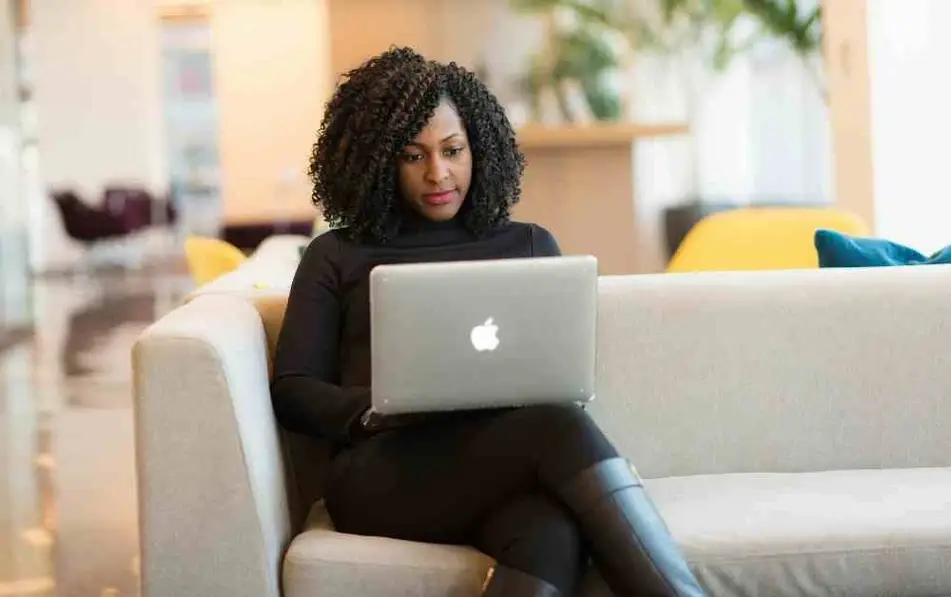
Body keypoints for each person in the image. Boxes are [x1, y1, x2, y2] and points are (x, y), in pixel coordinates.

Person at [270, 46, 707, 597]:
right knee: (556, 428)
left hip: (506, 461)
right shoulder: (337, 254)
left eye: (453, 150)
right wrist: (378, 410)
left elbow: (557, 373)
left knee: (551, 529)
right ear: (378, 162)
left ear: (479, 147)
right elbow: (293, 390)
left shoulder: (529, 244)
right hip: (382, 474)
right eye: (413, 156)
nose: (438, 173)